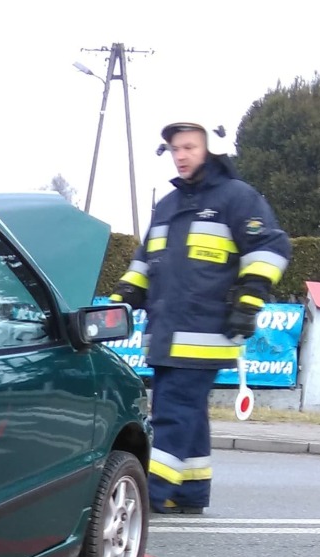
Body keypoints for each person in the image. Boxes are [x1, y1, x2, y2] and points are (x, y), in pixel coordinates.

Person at [110, 121, 290, 514]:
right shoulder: (168, 205)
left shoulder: (237, 198)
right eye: (175, 149)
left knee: (173, 414)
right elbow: (146, 261)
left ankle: (147, 496)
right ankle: (189, 492)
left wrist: (249, 302)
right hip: (164, 334)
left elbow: (270, 249)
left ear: (212, 148)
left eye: (189, 147)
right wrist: (122, 295)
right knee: (185, 413)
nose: (181, 156)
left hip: (204, 332)